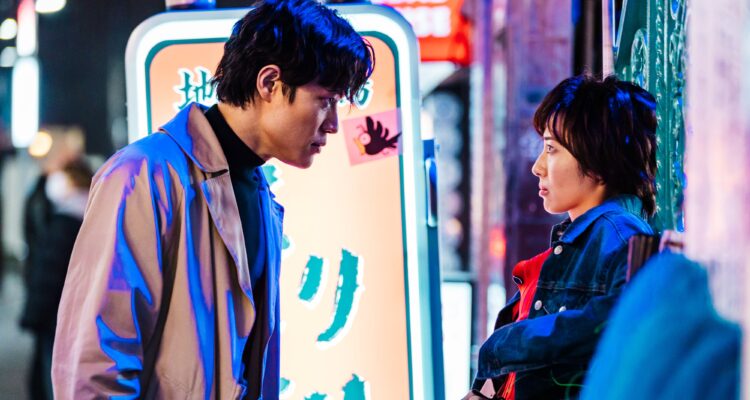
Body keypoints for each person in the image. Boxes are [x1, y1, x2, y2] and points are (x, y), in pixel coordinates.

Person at [51, 0, 373, 398]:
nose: (334, 124)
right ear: (269, 83)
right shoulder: (143, 175)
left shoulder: (258, 191)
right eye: (325, 100)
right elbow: (93, 364)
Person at [464, 74, 657, 400]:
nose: (538, 167)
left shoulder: (620, 235)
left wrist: (506, 344)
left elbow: (624, 321)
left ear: (597, 159)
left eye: (552, 149)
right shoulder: (587, 239)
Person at [20, 159, 92, 400]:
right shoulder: (93, 215)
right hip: (82, 317)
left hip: (56, 318)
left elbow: (48, 275)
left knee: (54, 379)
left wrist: (33, 315)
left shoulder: (64, 222)